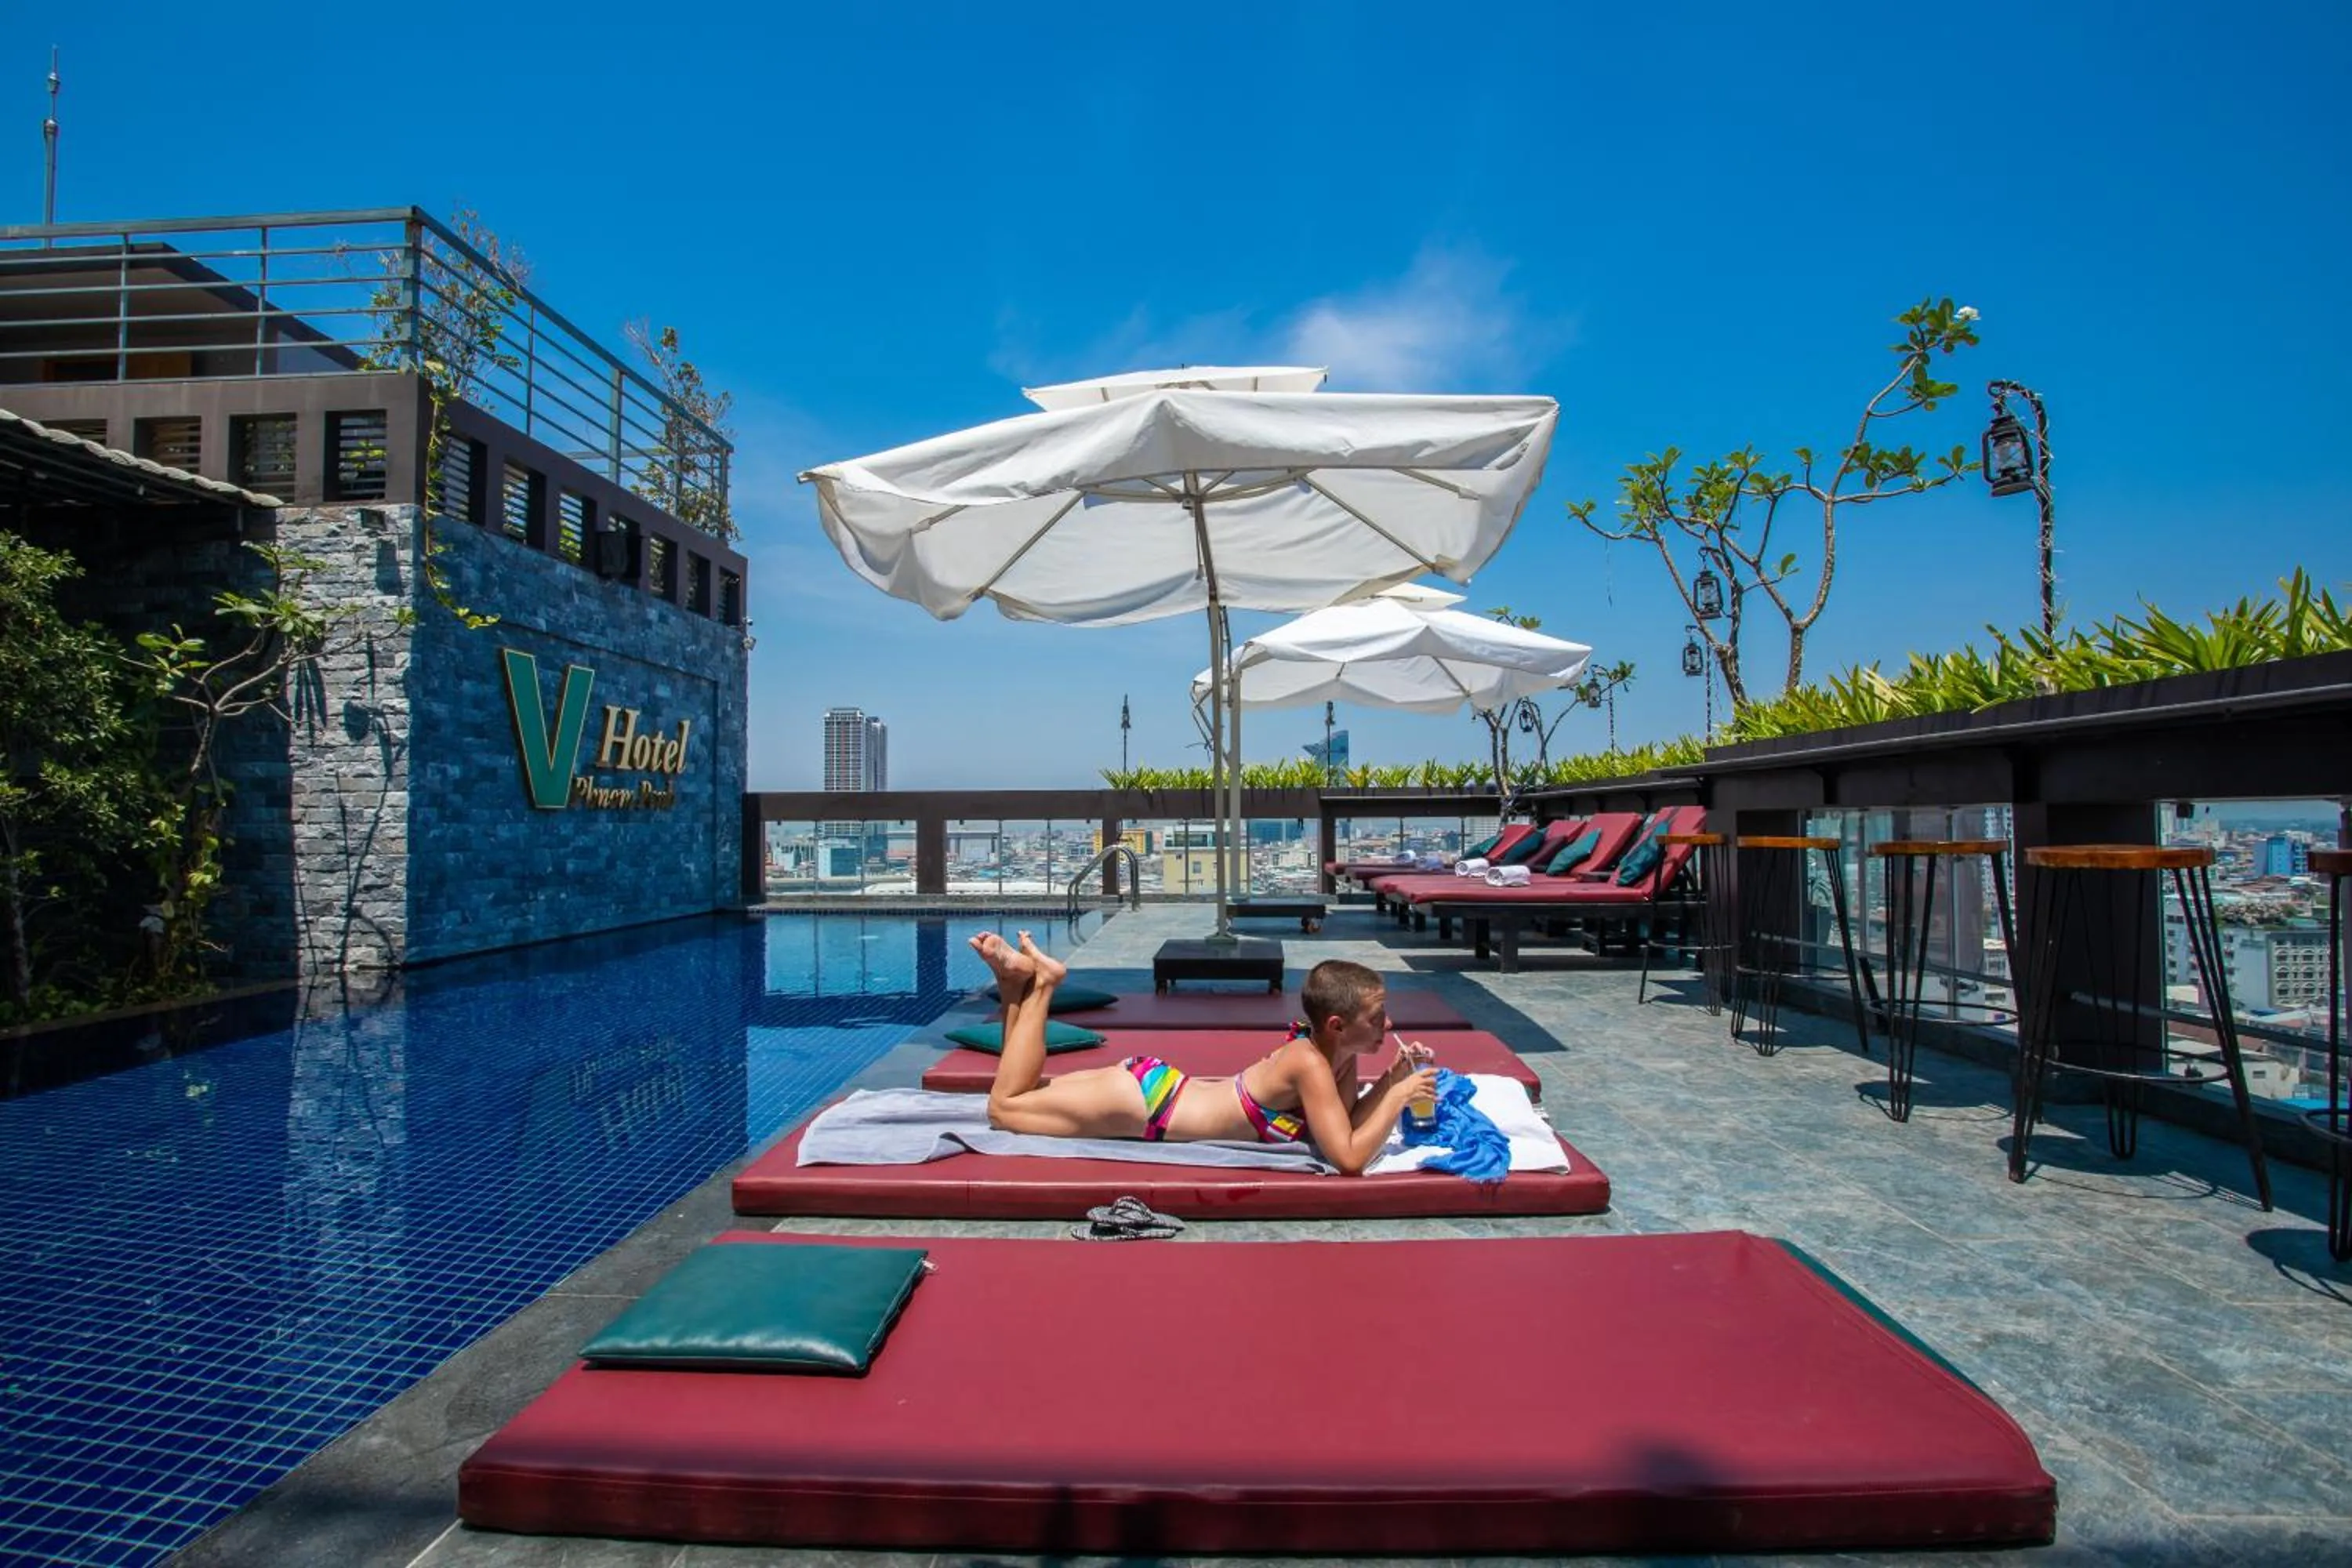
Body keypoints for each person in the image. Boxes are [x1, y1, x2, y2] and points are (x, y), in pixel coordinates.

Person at [971, 933, 1436, 1176]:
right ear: (1337, 1025)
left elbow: (1347, 1124)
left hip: (1153, 1089)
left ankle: (1015, 987)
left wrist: (1395, 1079)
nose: (1388, 1025)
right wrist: (1399, 1097)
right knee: (1003, 1109)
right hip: (1148, 1107)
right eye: (1377, 1018)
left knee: (1020, 1093)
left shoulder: (1332, 1054)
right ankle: (1045, 984)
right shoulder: (1309, 1063)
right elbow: (1349, 1160)